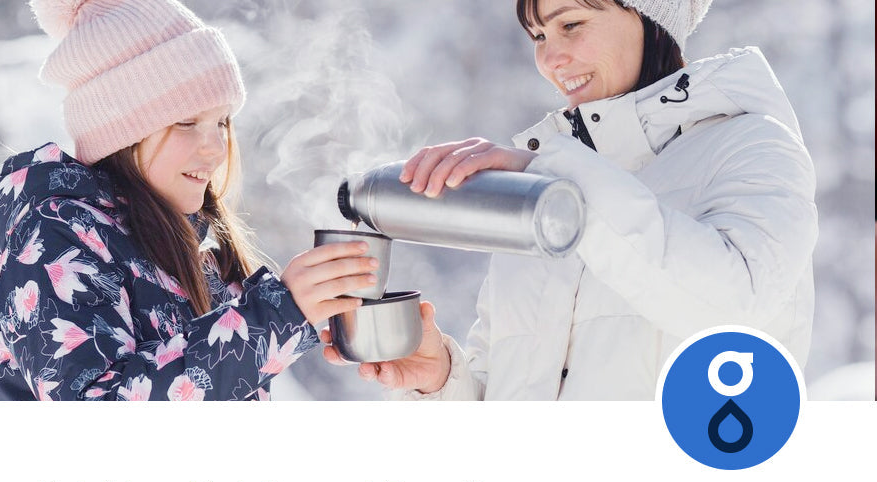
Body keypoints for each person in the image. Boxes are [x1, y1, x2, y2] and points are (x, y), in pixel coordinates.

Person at [323, 0, 817, 400]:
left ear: (650, 16)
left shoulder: (752, 146)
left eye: (572, 25)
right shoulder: (545, 190)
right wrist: (440, 379)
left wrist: (554, 177)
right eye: (539, 36)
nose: (551, 59)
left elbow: (731, 318)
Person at [0, 0, 376, 400]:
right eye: (187, 123)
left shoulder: (193, 242)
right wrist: (275, 318)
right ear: (120, 129)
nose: (217, 149)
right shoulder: (50, 238)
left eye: (222, 122)